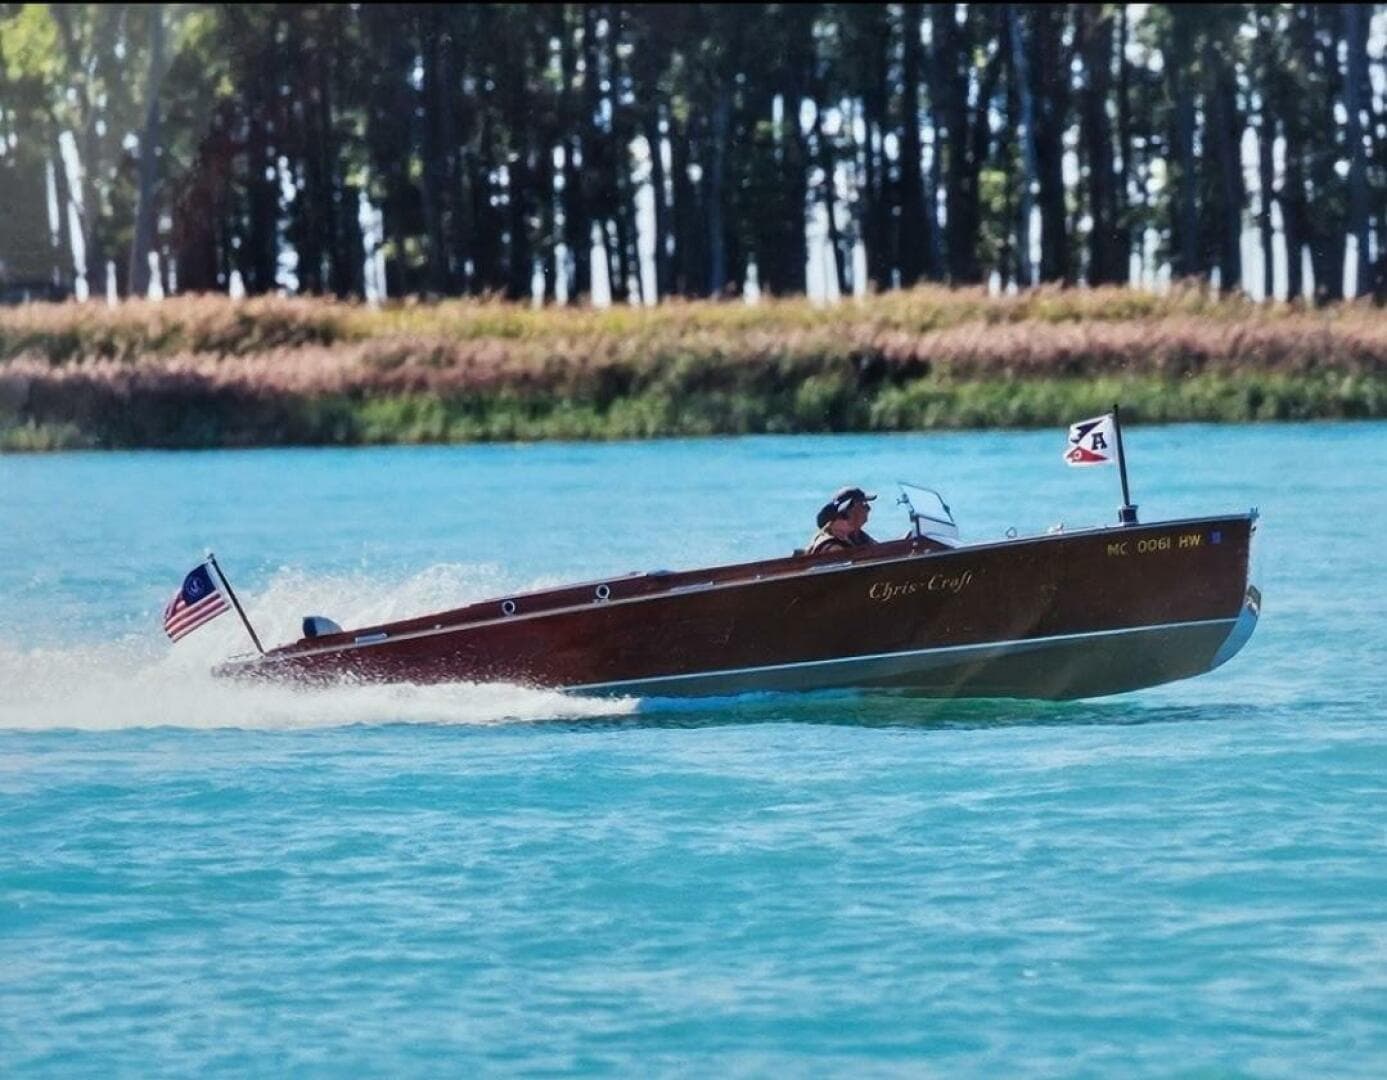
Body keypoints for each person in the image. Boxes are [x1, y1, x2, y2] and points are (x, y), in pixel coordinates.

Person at [804, 487, 877, 555]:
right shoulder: (831, 547)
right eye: (863, 505)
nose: (868, 509)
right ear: (849, 510)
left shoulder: (858, 537)